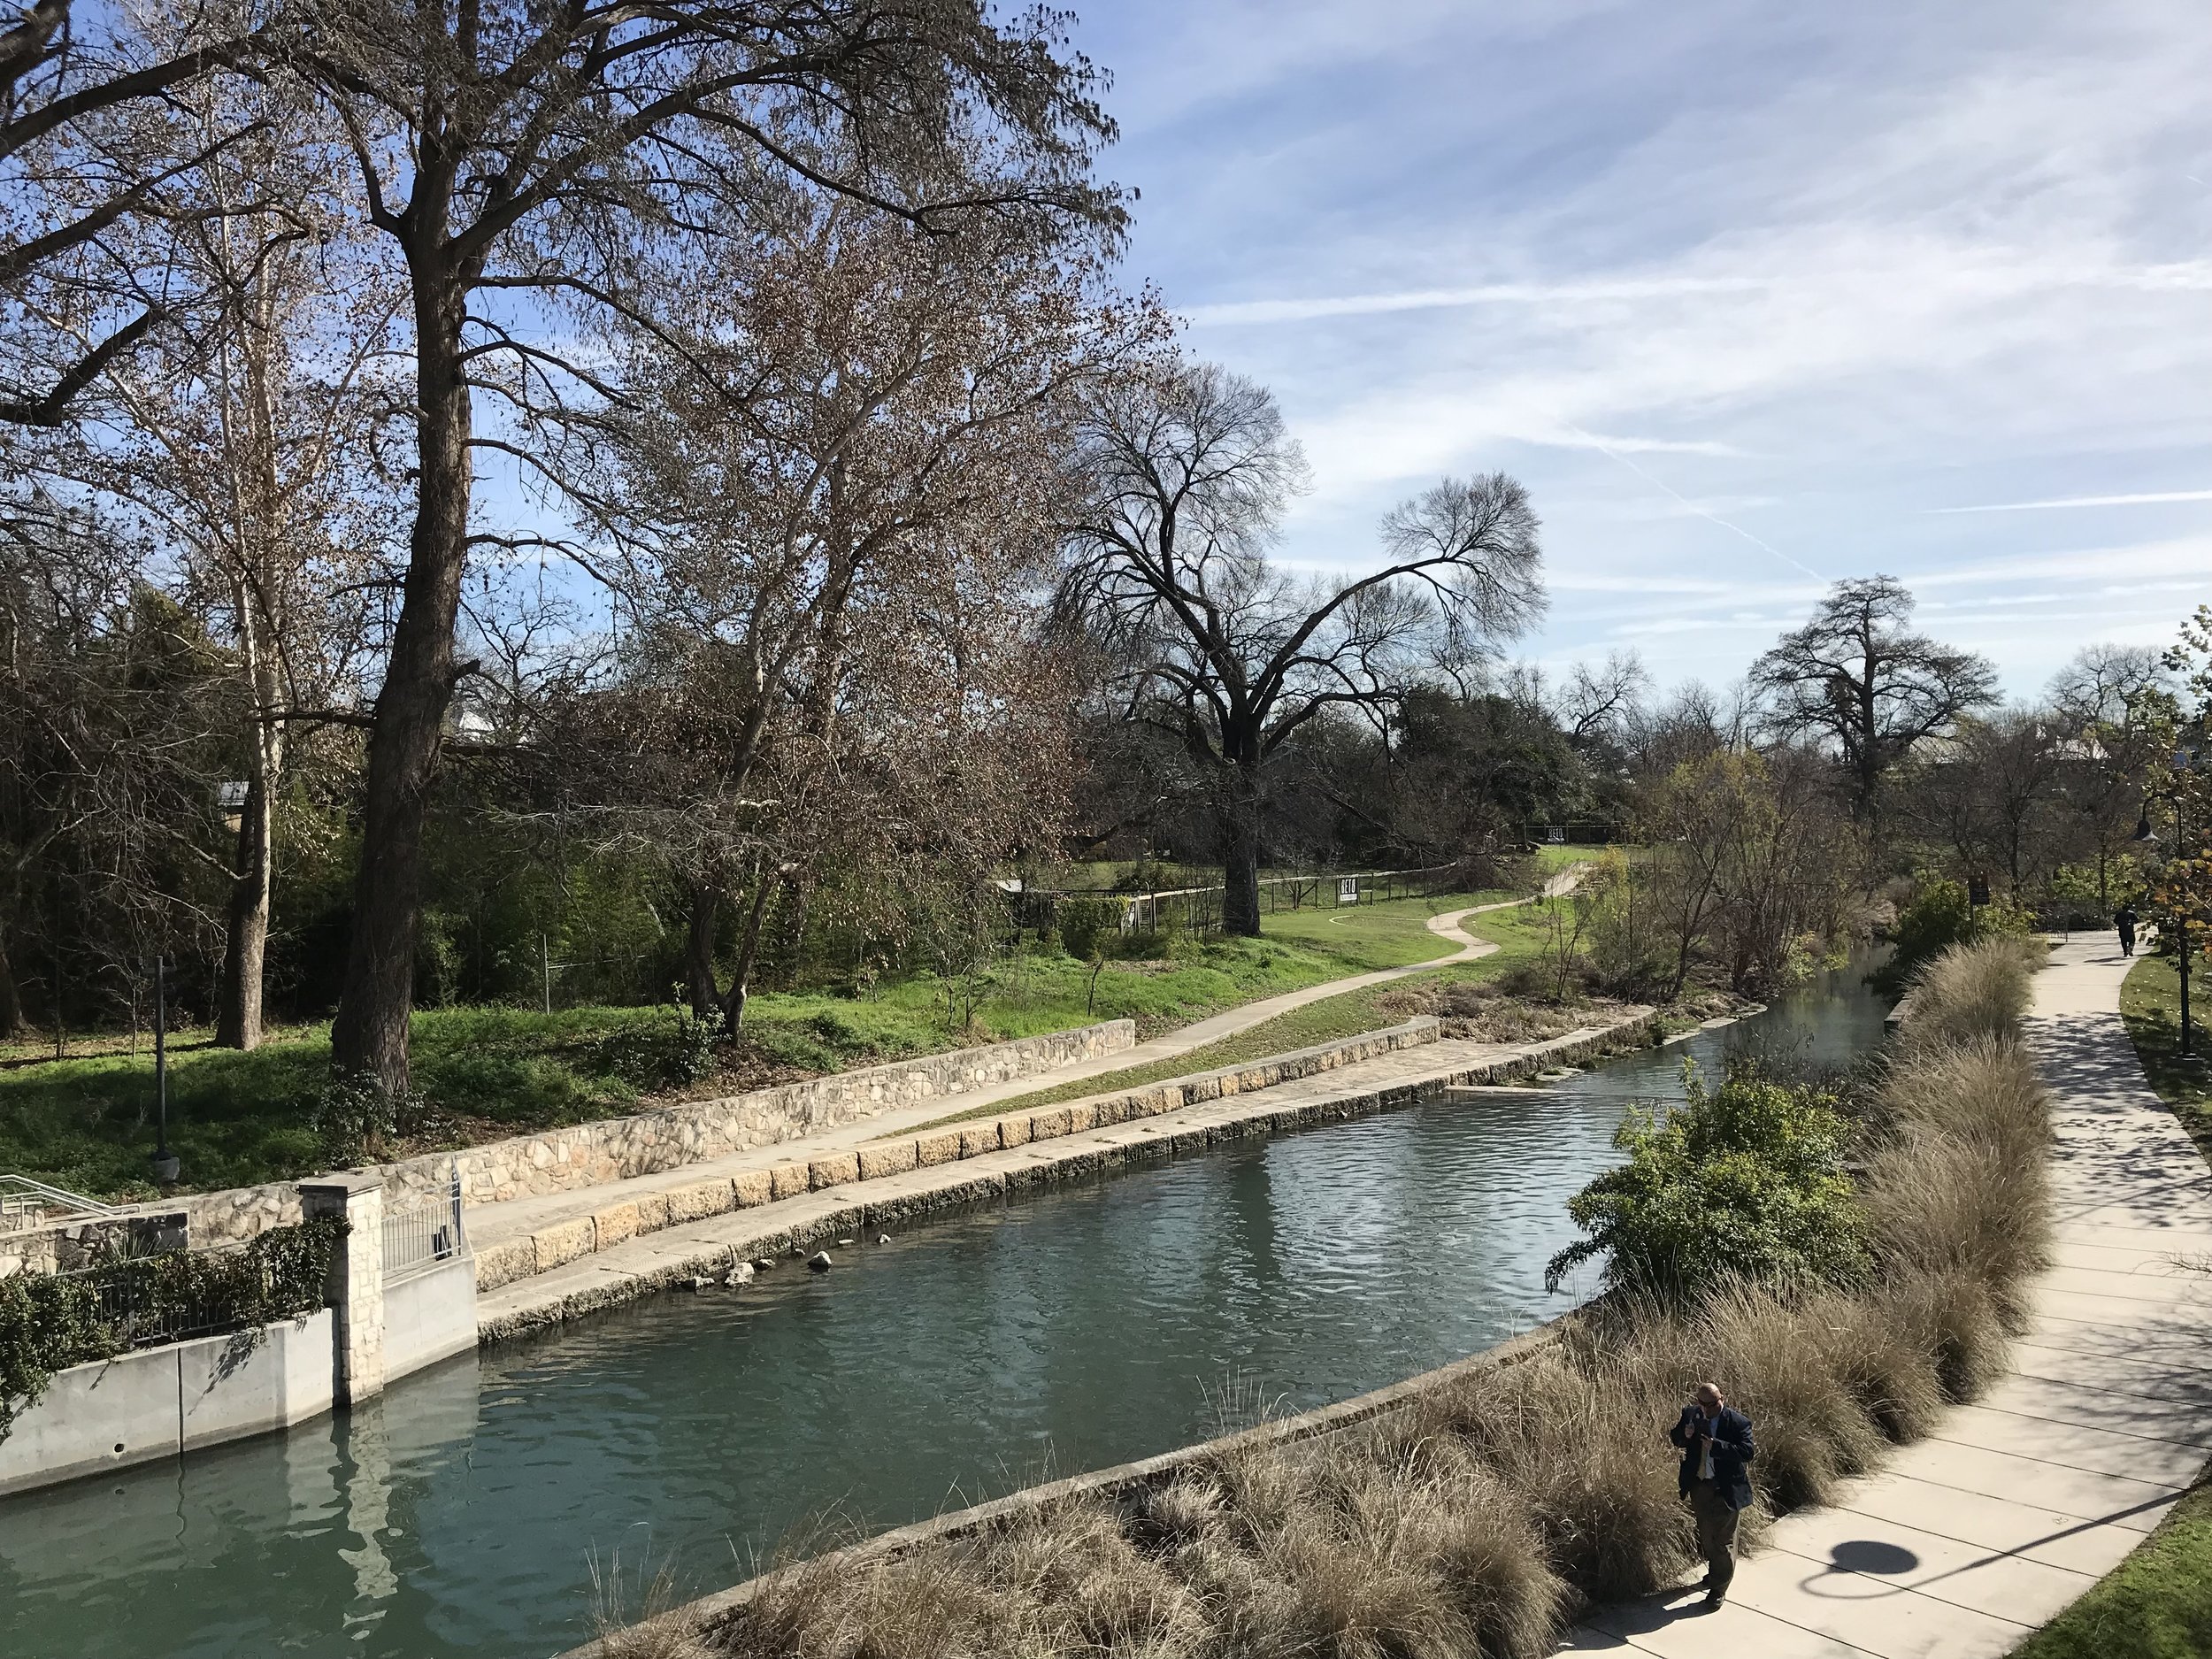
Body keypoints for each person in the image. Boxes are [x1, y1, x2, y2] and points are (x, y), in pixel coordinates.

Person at [1669, 1381, 1756, 1609]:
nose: (1706, 1409)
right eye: (1702, 1404)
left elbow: (1747, 1452)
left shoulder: (1737, 1422)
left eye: (1711, 1404)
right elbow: (1675, 1438)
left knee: (1723, 1541)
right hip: (1700, 1487)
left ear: (1722, 1399)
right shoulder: (1691, 1415)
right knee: (1707, 1537)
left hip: (1725, 1489)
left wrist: (1717, 1446)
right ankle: (1717, 1574)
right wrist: (1685, 1435)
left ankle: (1719, 1588)